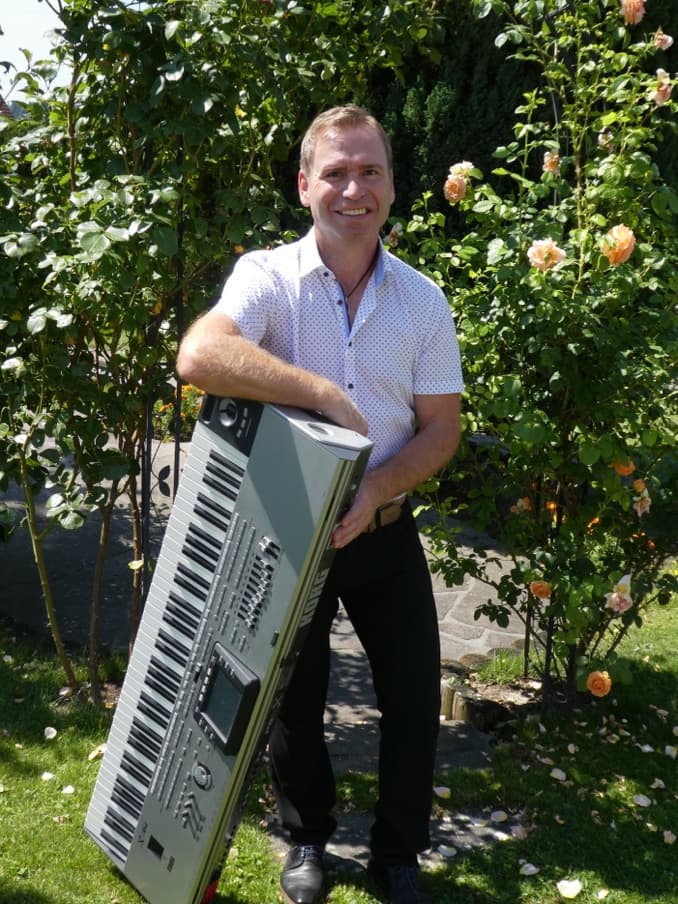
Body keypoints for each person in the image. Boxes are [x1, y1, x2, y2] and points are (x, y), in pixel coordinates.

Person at [177, 104, 464, 904]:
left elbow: (441, 431)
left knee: (412, 697)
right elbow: (199, 355)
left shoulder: (422, 301)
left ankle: (397, 853)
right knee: (294, 703)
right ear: (305, 185)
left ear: (392, 187)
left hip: (383, 526)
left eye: (370, 170)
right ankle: (306, 841)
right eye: (335, 172)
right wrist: (321, 394)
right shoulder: (267, 277)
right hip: (290, 528)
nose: (353, 188)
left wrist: (375, 487)